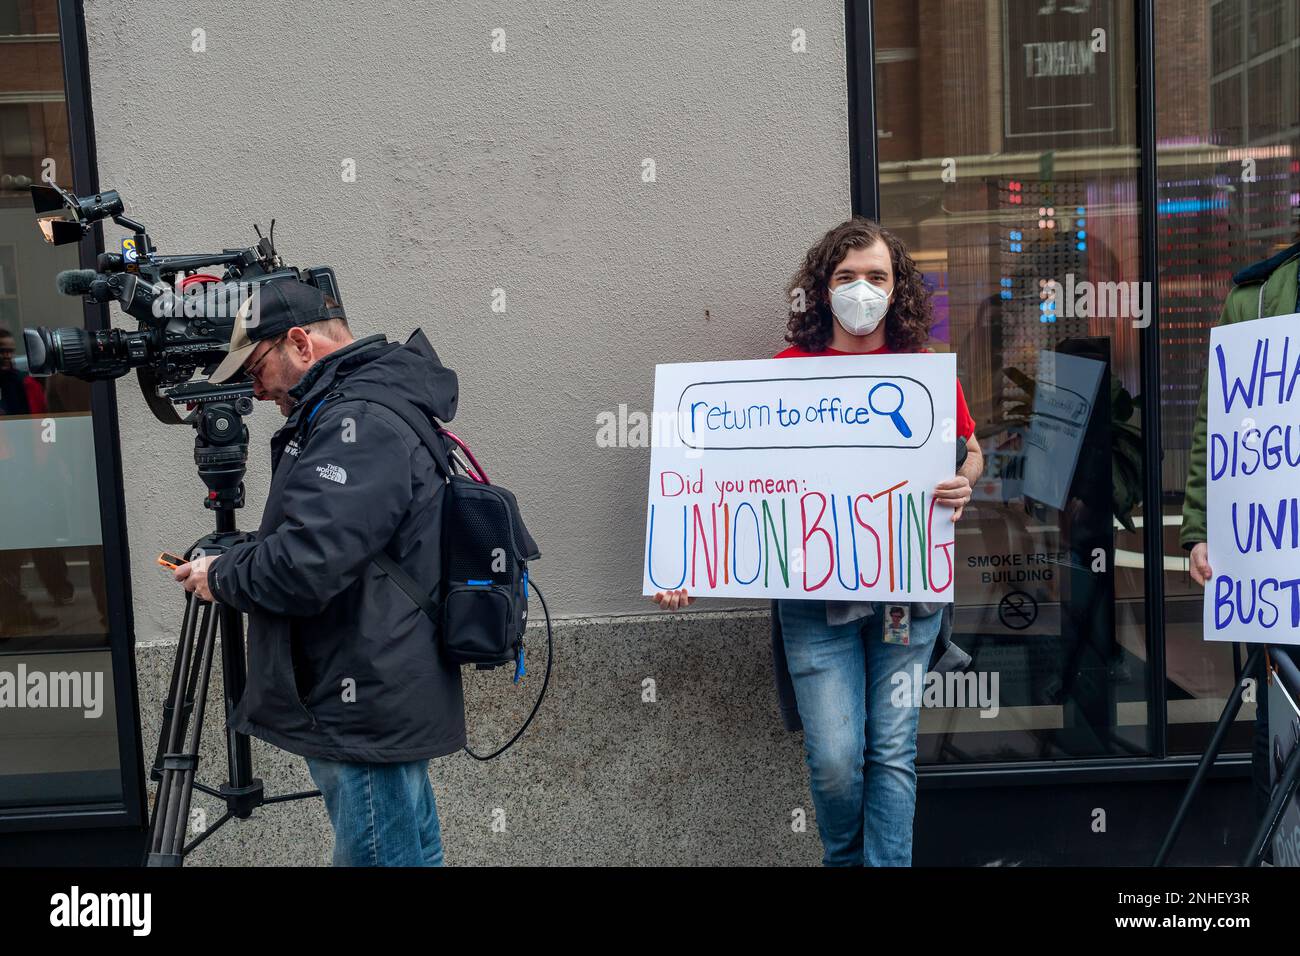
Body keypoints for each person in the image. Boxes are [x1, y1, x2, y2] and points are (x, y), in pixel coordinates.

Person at [653, 218, 983, 866]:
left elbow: (969, 450)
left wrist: (964, 481)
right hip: (814, 603)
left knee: (891, 750)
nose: (862, 289)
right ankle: (845, 859)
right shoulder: (786, 375)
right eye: (846, 277)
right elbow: (723, 484)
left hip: (905, 600)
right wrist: (683, 561)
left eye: (877, 277)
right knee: (835, 757)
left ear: (899, 288)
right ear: (822, 288)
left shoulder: (922, 373)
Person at [172, 278, 465, 866]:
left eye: (256, 369)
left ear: (301, 345)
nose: (254, 392)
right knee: (407, 853)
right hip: (376, 687)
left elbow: (308, 564)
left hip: (360, 697)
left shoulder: (358, 422)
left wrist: (225, 575)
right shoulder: (364, 407)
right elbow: (342, 542)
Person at [1181, 223, 1300, 833]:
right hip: (1280, 560)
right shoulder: (1253, 297)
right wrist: (1202, 528)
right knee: (1278, 725)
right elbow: (1218, 423)